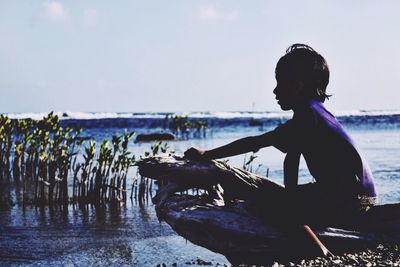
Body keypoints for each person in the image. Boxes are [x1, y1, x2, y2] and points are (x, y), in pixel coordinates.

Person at [184, 44, 377, 226]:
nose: (275, 90)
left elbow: (271, 151)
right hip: (365, 197)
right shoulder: (320, 113)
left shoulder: (307, 116)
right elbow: (280, 151)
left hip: (347, 201)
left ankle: (301, 237)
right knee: (282, 198)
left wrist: (207, 155)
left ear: (298, 85)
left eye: (280, 83)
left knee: (262, 203)